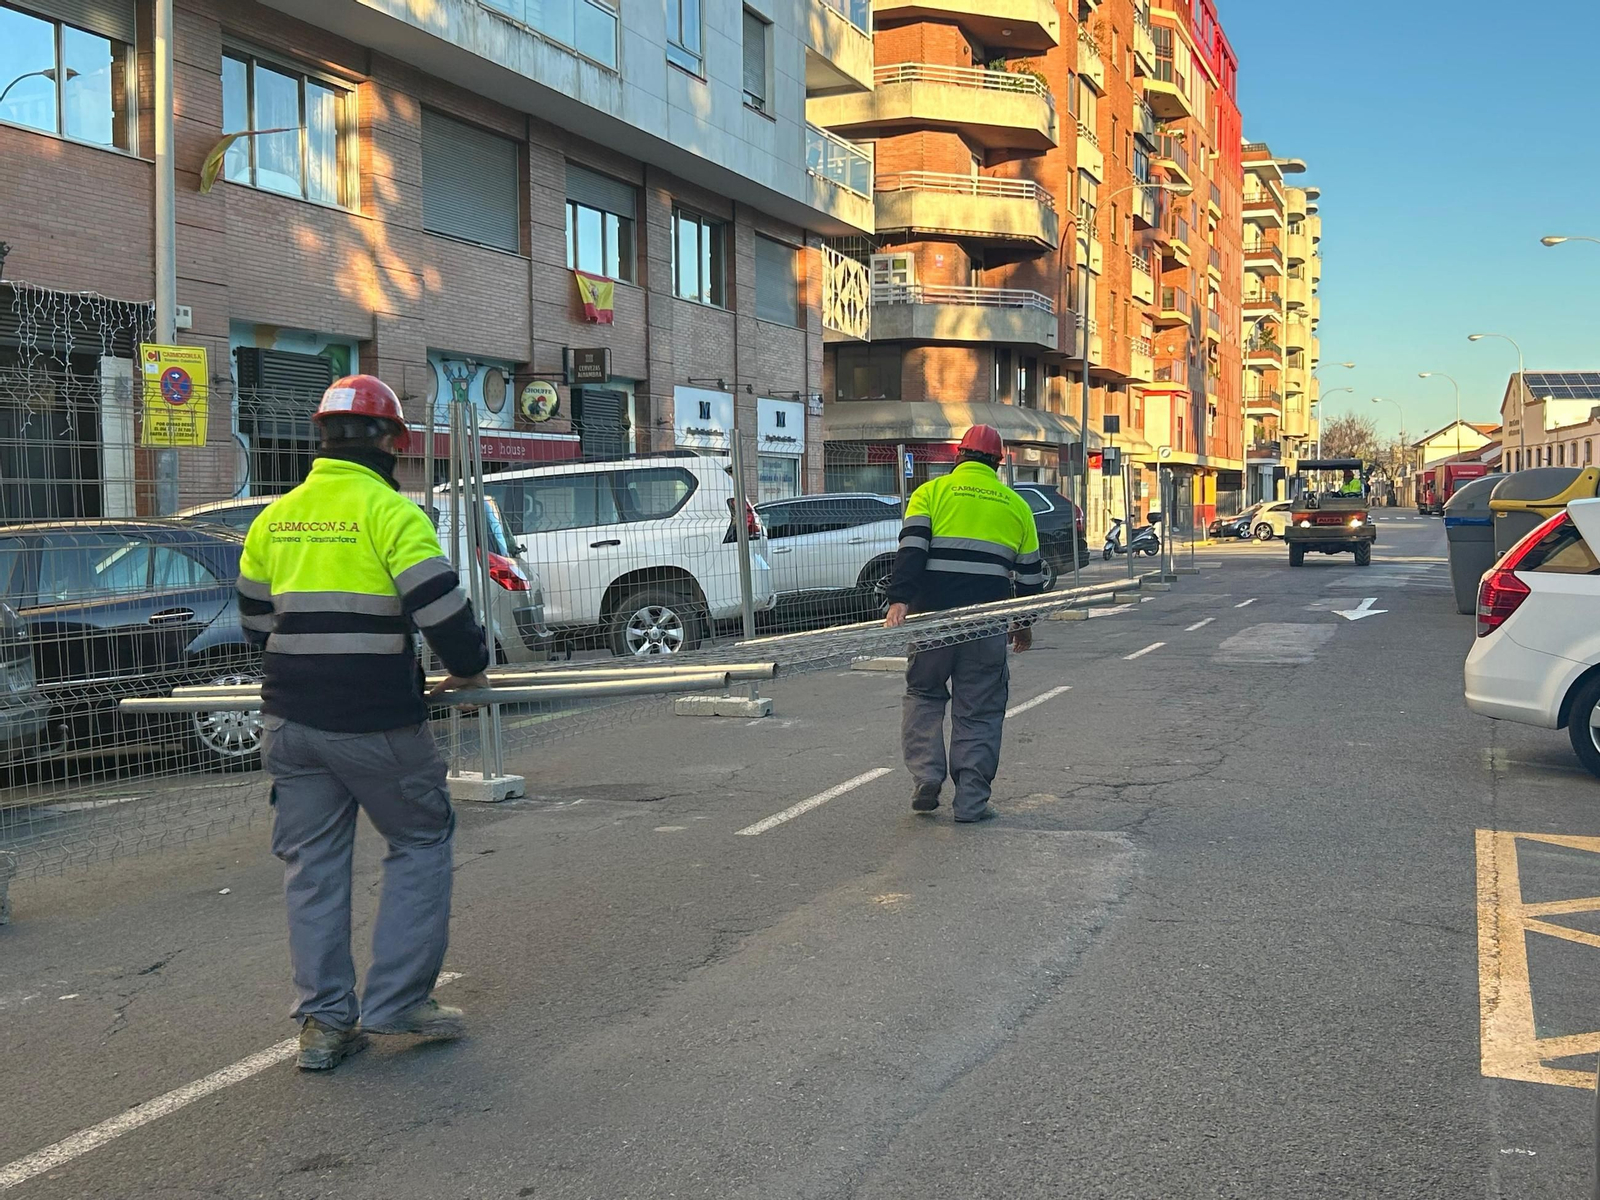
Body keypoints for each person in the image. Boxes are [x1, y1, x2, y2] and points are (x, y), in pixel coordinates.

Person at [236, 374, 491, 1072]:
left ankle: (323, 1026)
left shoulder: (274, 519)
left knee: (312, 869)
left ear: (321, 437)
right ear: (394, 442)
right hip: (377, 722)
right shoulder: (392, 513)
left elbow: (256, 624)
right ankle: (398, 1002)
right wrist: (469, 667)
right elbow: (442, 614)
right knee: (419, 838)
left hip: (290, 721)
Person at [884, 425, 1045, 824]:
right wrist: (1021, 623)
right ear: (999, 462)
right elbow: (1029, 579)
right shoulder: (1016, 505)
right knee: (980, 710)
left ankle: (926, 777)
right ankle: (971, 804)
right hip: (985, 625)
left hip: (932, 620)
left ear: (959, 455)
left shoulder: (930, 493)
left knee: (923, 695)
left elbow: (912, 550)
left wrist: (899, 600)